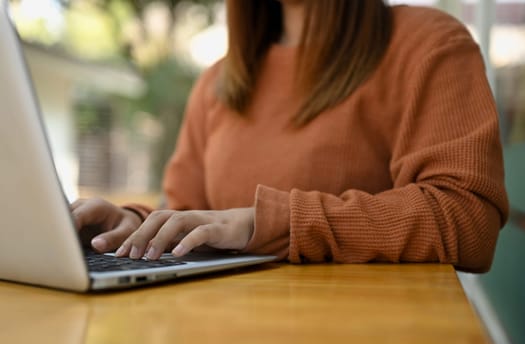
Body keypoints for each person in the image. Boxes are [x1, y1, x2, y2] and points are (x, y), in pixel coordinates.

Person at [72, 0, 509, 272]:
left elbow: (468, 219)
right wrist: (134, 230)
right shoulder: (217, 83)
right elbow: (190, 219)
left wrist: (272, 223)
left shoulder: (428, 44)